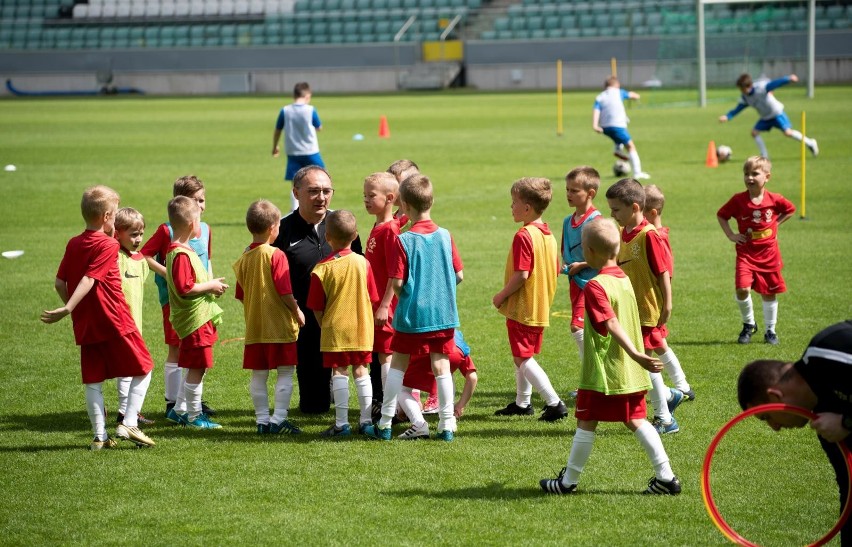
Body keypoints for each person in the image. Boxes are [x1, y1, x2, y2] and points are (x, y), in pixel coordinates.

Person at [540, 219, 680, 495]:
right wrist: (636, 358)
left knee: (586, 422)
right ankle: (666, 477)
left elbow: (613, 323)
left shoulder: (595, 286)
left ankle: (568, 482)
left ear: (589, 252)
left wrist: (636, 353)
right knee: (636, 420)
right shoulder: (624, 279)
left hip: (603, 372)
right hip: (628, 372)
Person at [41, 185, 155, 449]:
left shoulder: (74, 243)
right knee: (145, 368)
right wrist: (69, 308)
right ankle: (129, 422)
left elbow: (60, 282)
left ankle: (100, 436)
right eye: (115, 215)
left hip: (88, 322)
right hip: (115, 318)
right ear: (106, 217)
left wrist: (73, 310)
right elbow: (90, 279)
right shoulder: (107, 244)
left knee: (93, 380)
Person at [363, 174, 464, 442]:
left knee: (397, 365)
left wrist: (406, 293)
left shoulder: (404, 240)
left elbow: (396, 281)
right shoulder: (445, 235)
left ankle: (384, 423)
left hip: (412, 314)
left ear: (404, 205)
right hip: (443, 315)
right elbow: (459, 275)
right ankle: (447, 425)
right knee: (441, 366)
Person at [737, 321, 852, 544]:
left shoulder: (830, 352)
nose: (775, 428)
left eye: (766, 417)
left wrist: (847, 422)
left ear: (775, 397)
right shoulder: (826, 425)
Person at [271, 165, 363, 415]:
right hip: (304, 322)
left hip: (342, 320)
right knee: (314, 407)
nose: (321, 197)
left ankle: (362, 406)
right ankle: (323, 390)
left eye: (326, 191)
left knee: (358, 368)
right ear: (296, 193)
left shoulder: (344, 226)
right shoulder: (281, 231)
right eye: (313, 191)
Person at [605, 178, 684, 434]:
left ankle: (665, 418)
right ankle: (670, 397)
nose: (612, 214)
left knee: (645, 362)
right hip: (630, 309)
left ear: (635, 207)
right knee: (640, 361)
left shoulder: (649, 235)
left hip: (648, 310)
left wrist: (667, 304)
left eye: (617, 209)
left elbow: (663, 272)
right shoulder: (623, 233)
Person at [140, 175, 217, 420]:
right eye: (195, 201)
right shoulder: (167, 230)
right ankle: (172, 403)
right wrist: (169, 275)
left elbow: (207, 261)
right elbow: (145, 255)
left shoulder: (204, 229)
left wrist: (210, 285)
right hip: (174, 299)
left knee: (195, 350)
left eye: (202, 200)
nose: (200, 206)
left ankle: (188, 401)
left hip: (201, 299)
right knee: (176, 348)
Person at [493, 177, 567, 422]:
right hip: (540, 305)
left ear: (527, 208)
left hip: (524, 306)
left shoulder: (524, 235)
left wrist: (502, 295)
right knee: (522, 354)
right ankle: (522, 403)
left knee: (522, 357)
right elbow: (555, 269)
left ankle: (554, 402)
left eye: (514, 202)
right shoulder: (548, 235)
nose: (510, 207)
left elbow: (522, 274)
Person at [233, 200, 305, 435]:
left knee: (259, 374)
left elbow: (241, 293)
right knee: (285, 371)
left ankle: (262, 421)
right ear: (274, 227)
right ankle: (279, 419)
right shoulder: (276, 255)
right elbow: (284, 291)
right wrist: (296, 310)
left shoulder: (244, 257)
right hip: (279, 325)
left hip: (255, 326)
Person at [307, 210, 379, 437]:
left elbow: (316, 306)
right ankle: (366, 421)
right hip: (361, 328)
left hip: (335, 329)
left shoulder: (322, 268)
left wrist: (324, 325)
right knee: (361, 370)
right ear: (355, 235)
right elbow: (373, 296)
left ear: (327, 237)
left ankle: (342, 424)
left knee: (338, 372)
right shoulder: (363, 263)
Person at [164, 196, 228, 429]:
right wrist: (209, 286)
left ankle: (180, 410)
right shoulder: (180, 253)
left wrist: (211, 283)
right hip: (194, 321)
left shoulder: (181, 249)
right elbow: (185, 287)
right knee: (198, 368)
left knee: (194, 366)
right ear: (193, 224)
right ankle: (194, 416)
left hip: (198, 319)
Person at [717, 156, 795, 345]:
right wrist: (731, 235)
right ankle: (749, 324)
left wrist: (775, 224)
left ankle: (770, 330)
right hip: (746, 251)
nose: (750, 178)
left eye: (755, 174)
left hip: (769, 253)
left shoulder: (774, 199)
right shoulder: (738, 200)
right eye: (746, 174)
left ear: (767, 177)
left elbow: (790, 209)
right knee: (742, 288)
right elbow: (722, 215)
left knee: (769, 292)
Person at [643, 185, 694, 401]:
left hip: (653, 303)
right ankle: (683, 386)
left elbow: (666, 272)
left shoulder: (657, 238)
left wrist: (665, 302)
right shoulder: (654, 235)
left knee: (648, 350)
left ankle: (666, 396)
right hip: (652, 301)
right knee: (659, 344)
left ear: (652, 213)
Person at [363, 172, 402, 414]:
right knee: (380, 355)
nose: (366, 200)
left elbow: (394, 273)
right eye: (364, 195)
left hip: (384, 307)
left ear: (389, 198)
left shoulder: (390, 230)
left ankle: (392, 409)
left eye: (371, 195)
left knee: (386, 356)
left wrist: (385, 305)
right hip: (374, 304)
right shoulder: (378, 225)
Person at [397, 330, 478, 440]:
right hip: (456, 351)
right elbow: (472, 377)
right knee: (447, 374)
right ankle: (449, 420)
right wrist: (460, 407)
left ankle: (419, 424)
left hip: (427, 348)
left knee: (401, 389)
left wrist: (402, 409)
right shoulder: (457, 338)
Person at [114, 207, 154, 426]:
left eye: (141, 234)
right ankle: (124, 412)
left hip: (135, 324)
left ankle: (127, 412)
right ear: (117, 233)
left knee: (131, 369)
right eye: (133, 234)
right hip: (121, 324)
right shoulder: (116, 257)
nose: (138, 239)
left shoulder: (140, 260)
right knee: (132, 369)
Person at [561, 166, 602, 375]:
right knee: (588, 332)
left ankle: (593, 376)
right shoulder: (567, 222)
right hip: (575, 284)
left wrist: (583, 265)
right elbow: (566, 254)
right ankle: (594, 377)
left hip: (593, 284)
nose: (569, 194)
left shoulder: (596, 221)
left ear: (590, 193)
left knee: (578, 328)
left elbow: (607, 256)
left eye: (575, 190)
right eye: (567, 189)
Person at [719, 73, 818, 159]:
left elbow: (775, 83)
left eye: (742, 88)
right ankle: (765, 155)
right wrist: (728, 116)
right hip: (765, 117)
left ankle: (810, 143)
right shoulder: (745, 97)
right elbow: (738, 108)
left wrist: (788, 79)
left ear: (748, 86)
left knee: (788, 133)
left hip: (777, 113)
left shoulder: (761, 88)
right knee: (754, 133)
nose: (741, 90)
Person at [273, 82, 325, 213]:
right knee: (322, 177)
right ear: (307, 95)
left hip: (293, 152)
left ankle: (295, 209)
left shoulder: (285, 111)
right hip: (310, 151)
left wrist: (275, 146)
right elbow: (319, 127)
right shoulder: (310, 110)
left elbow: (278, 129)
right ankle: (321, 206)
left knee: (295, 182)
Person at [593, 75, 650, 180]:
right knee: (631, 147)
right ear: (617, 85)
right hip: (617, 126)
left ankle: (618, 148)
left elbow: (596, 110)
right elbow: (631, 95)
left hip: (605, 128)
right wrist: (637, 96)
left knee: (618, 136)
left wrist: (595, 125)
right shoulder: (619, 92)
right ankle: (637, 173)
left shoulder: (600, 96)